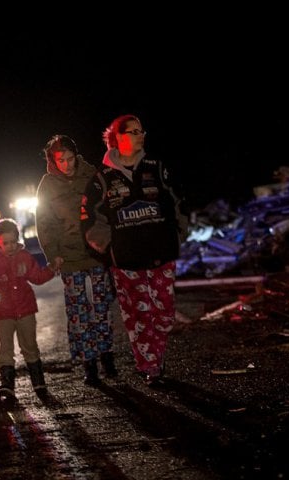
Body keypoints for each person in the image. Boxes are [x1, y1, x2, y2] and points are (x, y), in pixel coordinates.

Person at [81, 114, 188, 386]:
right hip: (126, 260)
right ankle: (150, 366)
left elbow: (177, 202)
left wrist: (178, 234)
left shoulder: (156, 167)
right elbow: (90, 218)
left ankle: (154, 357)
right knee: (139, 316)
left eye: (142, 130)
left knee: (164, 313)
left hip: (161, 255)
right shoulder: (102, 178)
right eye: (134, 131)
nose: (141, 135)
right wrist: (109, 248)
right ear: (119, 138)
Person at [35, 134, 117, 386]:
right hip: (69, 256)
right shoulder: (47, 185)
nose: (67, 165)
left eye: (70, 159)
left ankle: (107, 356)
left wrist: (107, 244)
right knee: (78, 312)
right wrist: (53, 254)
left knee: (102, 307)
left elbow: (106, 209)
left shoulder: (92, 174)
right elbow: (45, 222)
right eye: (61, 160)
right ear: (53, 161)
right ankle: (88, 362)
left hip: (95, 252)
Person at [0, 218, 62, 400]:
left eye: (13, 242)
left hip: (25, 309)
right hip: (4, 313)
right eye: (5, 243)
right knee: (6, 348)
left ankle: (38, 381)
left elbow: (36, 276)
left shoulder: (24, 257)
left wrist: (51, 269)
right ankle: (7, 384)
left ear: (18, 239)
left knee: (29, 345)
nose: (10, 246)